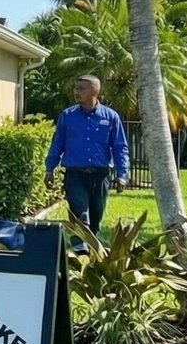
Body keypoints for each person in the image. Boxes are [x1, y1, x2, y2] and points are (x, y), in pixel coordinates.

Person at [45, 74, 130, 243]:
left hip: (100, 175)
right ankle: (79, 248)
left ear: (95, 91)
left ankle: (92, 247)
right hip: (75, 175)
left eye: (81, 88)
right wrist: (50, 169)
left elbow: (120, 147)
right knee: (80, 213)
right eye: (76, 88)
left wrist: (122, 174)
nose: (76, 92)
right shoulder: (67, 116)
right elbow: (57, 144)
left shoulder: (110, 117)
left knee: (96, 216)